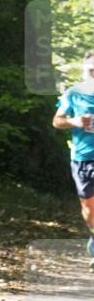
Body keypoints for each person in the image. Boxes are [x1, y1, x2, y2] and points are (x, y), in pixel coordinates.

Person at [52, 49, 94, 268]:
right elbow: (57, 122)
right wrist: (75, 122)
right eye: (91, 70)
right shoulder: (74, 94)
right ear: (84, 70)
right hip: (83, 157)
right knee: (89, 205)